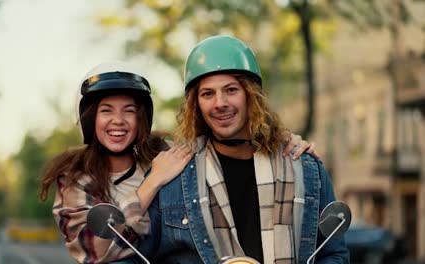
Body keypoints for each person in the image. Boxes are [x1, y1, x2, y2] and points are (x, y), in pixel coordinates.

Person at [38, 61, 318, 264]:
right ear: (89, 118)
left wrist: (281, 139)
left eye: (129, 111)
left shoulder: (166, 154)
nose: (118, 121)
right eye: (106, 111)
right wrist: (152, 183)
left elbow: (216, 141)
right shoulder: (76, 179)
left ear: (142, 118)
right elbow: (94, 250)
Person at [127, 35, 349, 263]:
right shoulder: (174, 176)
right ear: (196, 104)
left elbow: (333, 254)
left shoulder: (305, 167)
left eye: (231, 90)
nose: (220, 103)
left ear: (251, 96)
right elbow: (129, 254)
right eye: (207, 94)